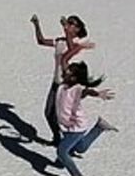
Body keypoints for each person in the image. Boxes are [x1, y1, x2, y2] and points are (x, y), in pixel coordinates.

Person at [31, 14, 95, 145]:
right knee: (48, 113)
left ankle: (72, 141)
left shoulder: (79, 43)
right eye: (68, 22)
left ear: (78, 28)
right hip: (56, 82)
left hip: (68, 86)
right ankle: (58, 138)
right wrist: (36, 25)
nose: (68, 25)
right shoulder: (60, 41)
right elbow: (41, 41)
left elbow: (70, 51)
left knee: (65, 115)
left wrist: (66, 31)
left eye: (72, 23)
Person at [54, 61, 118, 176]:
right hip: (66, 126)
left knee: (61, 151)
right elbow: (62, 63)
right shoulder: (63, 86)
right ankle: (99, 127)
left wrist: (97, 94)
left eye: (68, 72)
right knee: (80, 148)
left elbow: (86, 91)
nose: (64, 72)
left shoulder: (76, 89)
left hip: (76, 126)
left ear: (74, 78)